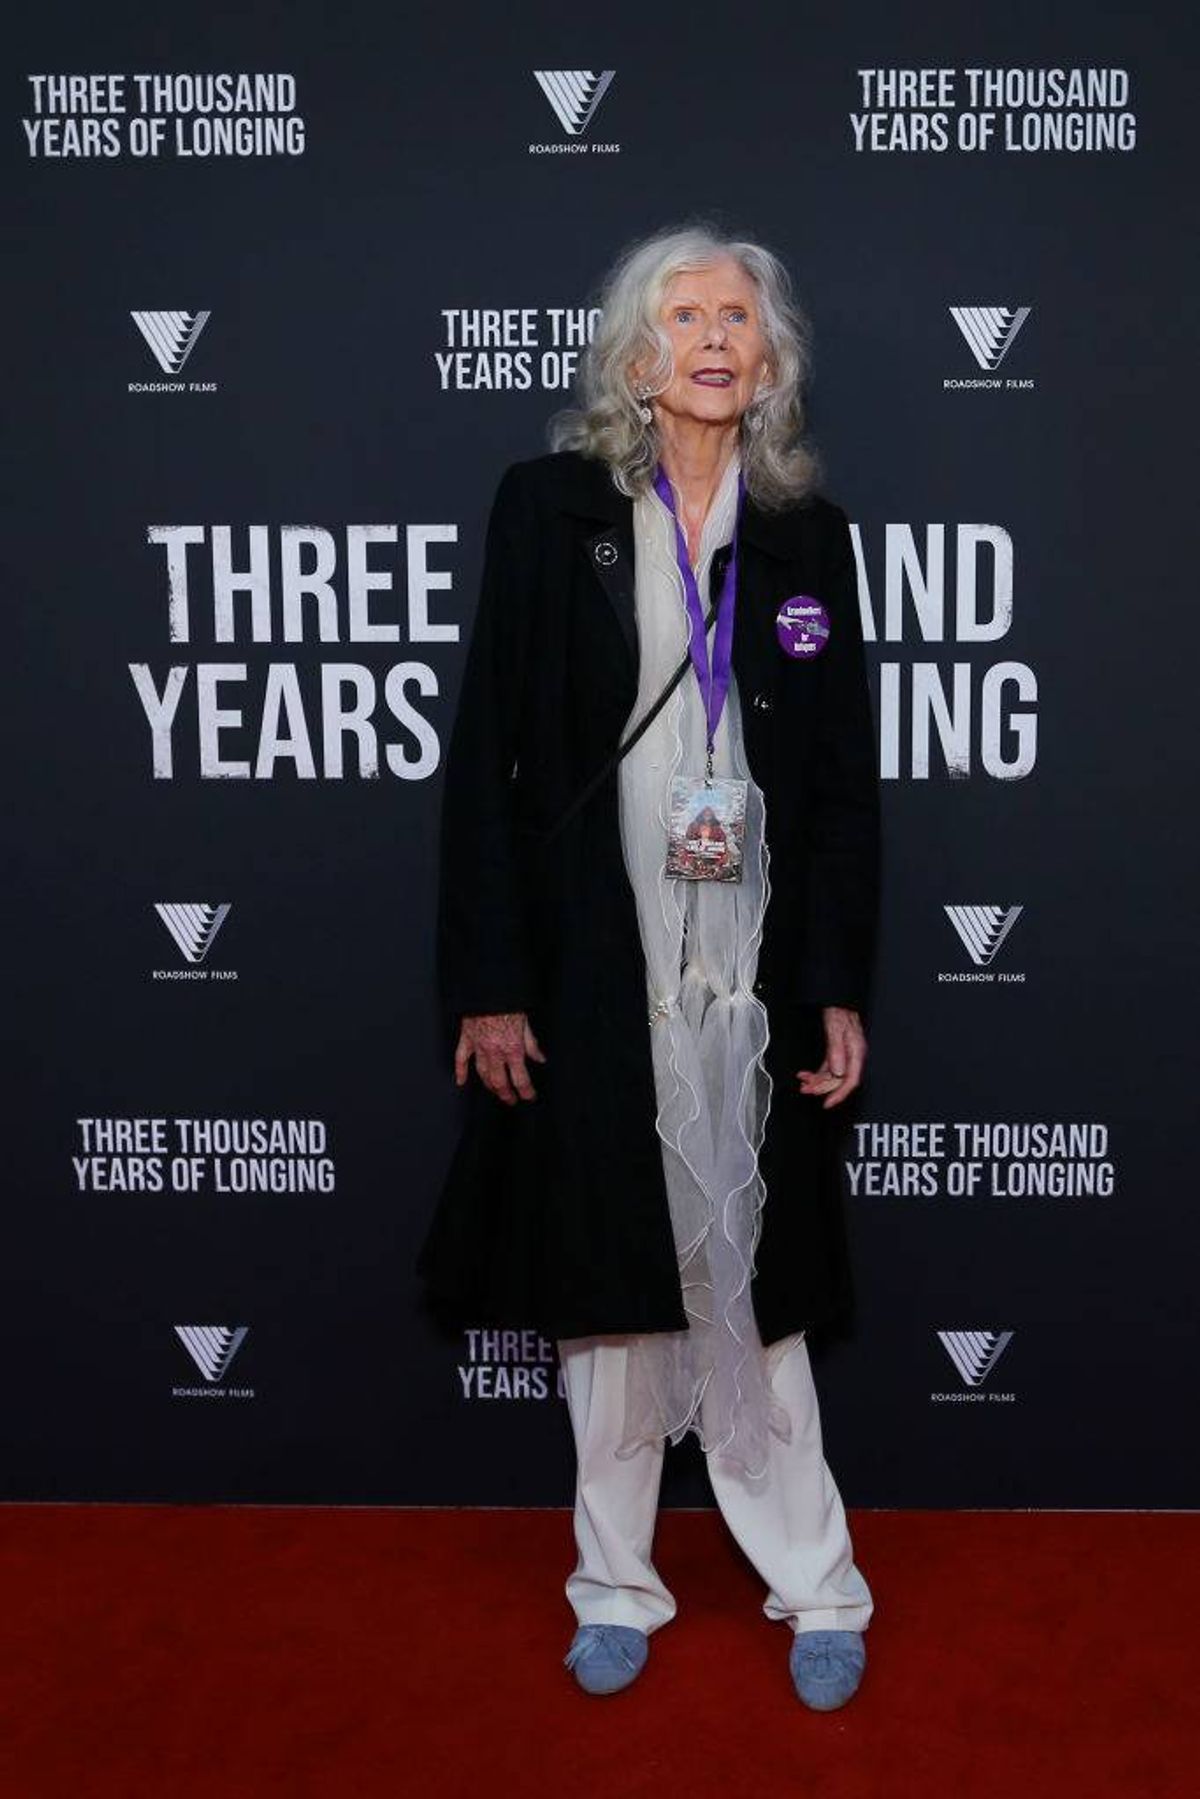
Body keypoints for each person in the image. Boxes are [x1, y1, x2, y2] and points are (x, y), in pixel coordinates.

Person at [418, 221, 881, 1710]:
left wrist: (836, 982)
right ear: (636, 355)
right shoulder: (551, 510)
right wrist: (490, 978)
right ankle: (615, 1580)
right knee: (609, 1293)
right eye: (684, 314)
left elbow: (841, 791)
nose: (714, 337)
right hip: (589, 955)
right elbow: (486, 755)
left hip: (745, 965)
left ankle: (817, 1585)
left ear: (769, 359)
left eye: (737, 316)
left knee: (753, 1279)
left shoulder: (806, 538)